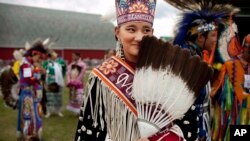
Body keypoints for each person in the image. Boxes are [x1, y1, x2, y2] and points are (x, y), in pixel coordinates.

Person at [74, 0, 213, 141]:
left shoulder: (170, 70)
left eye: (146, 30)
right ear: (117, 32)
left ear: (152, 32)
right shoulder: (101, 78)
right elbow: (89, 132)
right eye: (131, 29)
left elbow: (189, 124)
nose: (139, 37)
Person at [164, 0, 240, 140]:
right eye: (212, 36)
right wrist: (199, 134)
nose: (214, 41)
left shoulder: (192, 57)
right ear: (200, 37)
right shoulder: (187, 60)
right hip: (192, 133)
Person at [210, 34, 250, 141]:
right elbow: (215, 93)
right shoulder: (229, 66)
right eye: (249, 47)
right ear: (243, 47)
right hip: (233, 118)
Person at [16, 39, 47, 141]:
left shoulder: (30, 64)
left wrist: (40, 71)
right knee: (27, 114)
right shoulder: (25, 64)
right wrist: (39, 77)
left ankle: (34, 133)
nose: (39, 60)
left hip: (32, 93)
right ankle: (28, 135)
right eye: (38, 57)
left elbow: (33, 73)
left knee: (36, 113)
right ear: (34, 54)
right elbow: (29, 78)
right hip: (26, 94)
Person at [42, 50, 65, 118]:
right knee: (49, 97)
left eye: (56, 56)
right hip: (49, 82)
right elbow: (43, 71)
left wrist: (61, 77)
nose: (55, 57)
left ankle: (58, 111)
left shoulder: (60, 62)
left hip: (58, 82)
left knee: (58, 97)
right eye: (54, 56)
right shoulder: (46, 63)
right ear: (51, 56)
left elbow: (63, 70)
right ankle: (49, 111)